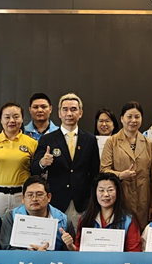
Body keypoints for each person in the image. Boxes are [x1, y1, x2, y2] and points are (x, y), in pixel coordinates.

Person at [31, 92, 101, 233]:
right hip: (55, 200)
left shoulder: (90, 139)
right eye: (65, 109)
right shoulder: (47, 139)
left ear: (80, 113)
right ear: (59, 113)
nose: (69, 113)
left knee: (77, 239)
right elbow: (34, 169)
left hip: (81, 202)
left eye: (73, 109)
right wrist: (43, 163)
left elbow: (95, 173)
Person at [101, 101, 152, 229]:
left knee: (140, 234)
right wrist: (120, 175)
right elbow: (104, 170)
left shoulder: (149, 143)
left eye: (137, 117)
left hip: (143, 200)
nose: (133, 120)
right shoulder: (112, 142)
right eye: (129, 116)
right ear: (122, 118)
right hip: (120, 197)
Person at [61, 173, 141, 252]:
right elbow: (80, 251)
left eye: (110, 190)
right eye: (101, 190)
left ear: (118, 192)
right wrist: (70, 246)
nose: (106, 194)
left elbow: (133, 253)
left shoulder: (128, 220)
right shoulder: (85, 218)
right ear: (95, 193)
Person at [0, 176, 70, 251]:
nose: (34, 199)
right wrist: (30, 254)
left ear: (49, 197)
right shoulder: (11, 217)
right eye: (30, 195)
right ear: (23, 198)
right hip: (21, 258)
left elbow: (66, 253)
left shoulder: (63, 220)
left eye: (39, 194)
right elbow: (6, 248)